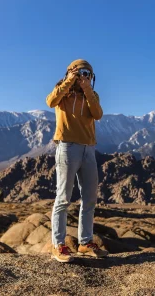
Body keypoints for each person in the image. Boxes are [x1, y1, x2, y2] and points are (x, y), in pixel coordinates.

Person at [46, 59, 108, 263]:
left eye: (87, 73)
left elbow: (97, 114)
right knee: (63, 197)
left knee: (89, 198)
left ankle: (85, 242)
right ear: (70, 72)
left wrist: (87, 89)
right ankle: (58, 244)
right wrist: (68, 81)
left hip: (89, 148)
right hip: (67, 147)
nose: (84, 76)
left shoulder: (92, 94)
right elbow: (50, 101)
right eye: (80, 72)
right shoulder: (61, 91)